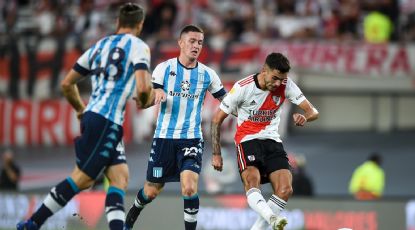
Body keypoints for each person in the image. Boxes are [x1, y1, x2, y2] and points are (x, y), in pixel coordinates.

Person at [17, 3, 156, 230]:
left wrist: (80, 110)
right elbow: (142, 88)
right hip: (107, 121)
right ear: (140, 25)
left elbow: (67, 83)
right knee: (83, 179)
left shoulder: (99, 46)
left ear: (118, 22)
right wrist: (144, 99)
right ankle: (33, 223)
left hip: (96, 115)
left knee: (120, 176)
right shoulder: (139, 46)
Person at [125, 24, 227, 230]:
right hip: (164, 138)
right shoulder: (165, 68)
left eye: (200, 42)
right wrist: (155, 94)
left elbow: (227, 101)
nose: (196, 45)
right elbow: (147, 97)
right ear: (180, 43)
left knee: (189, 188)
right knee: (151, 192)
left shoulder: (208, 75)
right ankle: (130, 219)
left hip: (191, 139)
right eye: (192, 41)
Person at [210, 53, 319, 230]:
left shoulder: (286, 85)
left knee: (285, 189)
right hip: (247, 140)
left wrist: (305, 117)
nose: (277, 83)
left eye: (281, 79)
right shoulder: (242, 87)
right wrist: (216, 153)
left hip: (272, 141)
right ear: (264, 71)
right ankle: (272, 218)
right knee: (252, 182)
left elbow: (313, 111)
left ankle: (262, 226)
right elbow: (216, 120)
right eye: (275, 78)